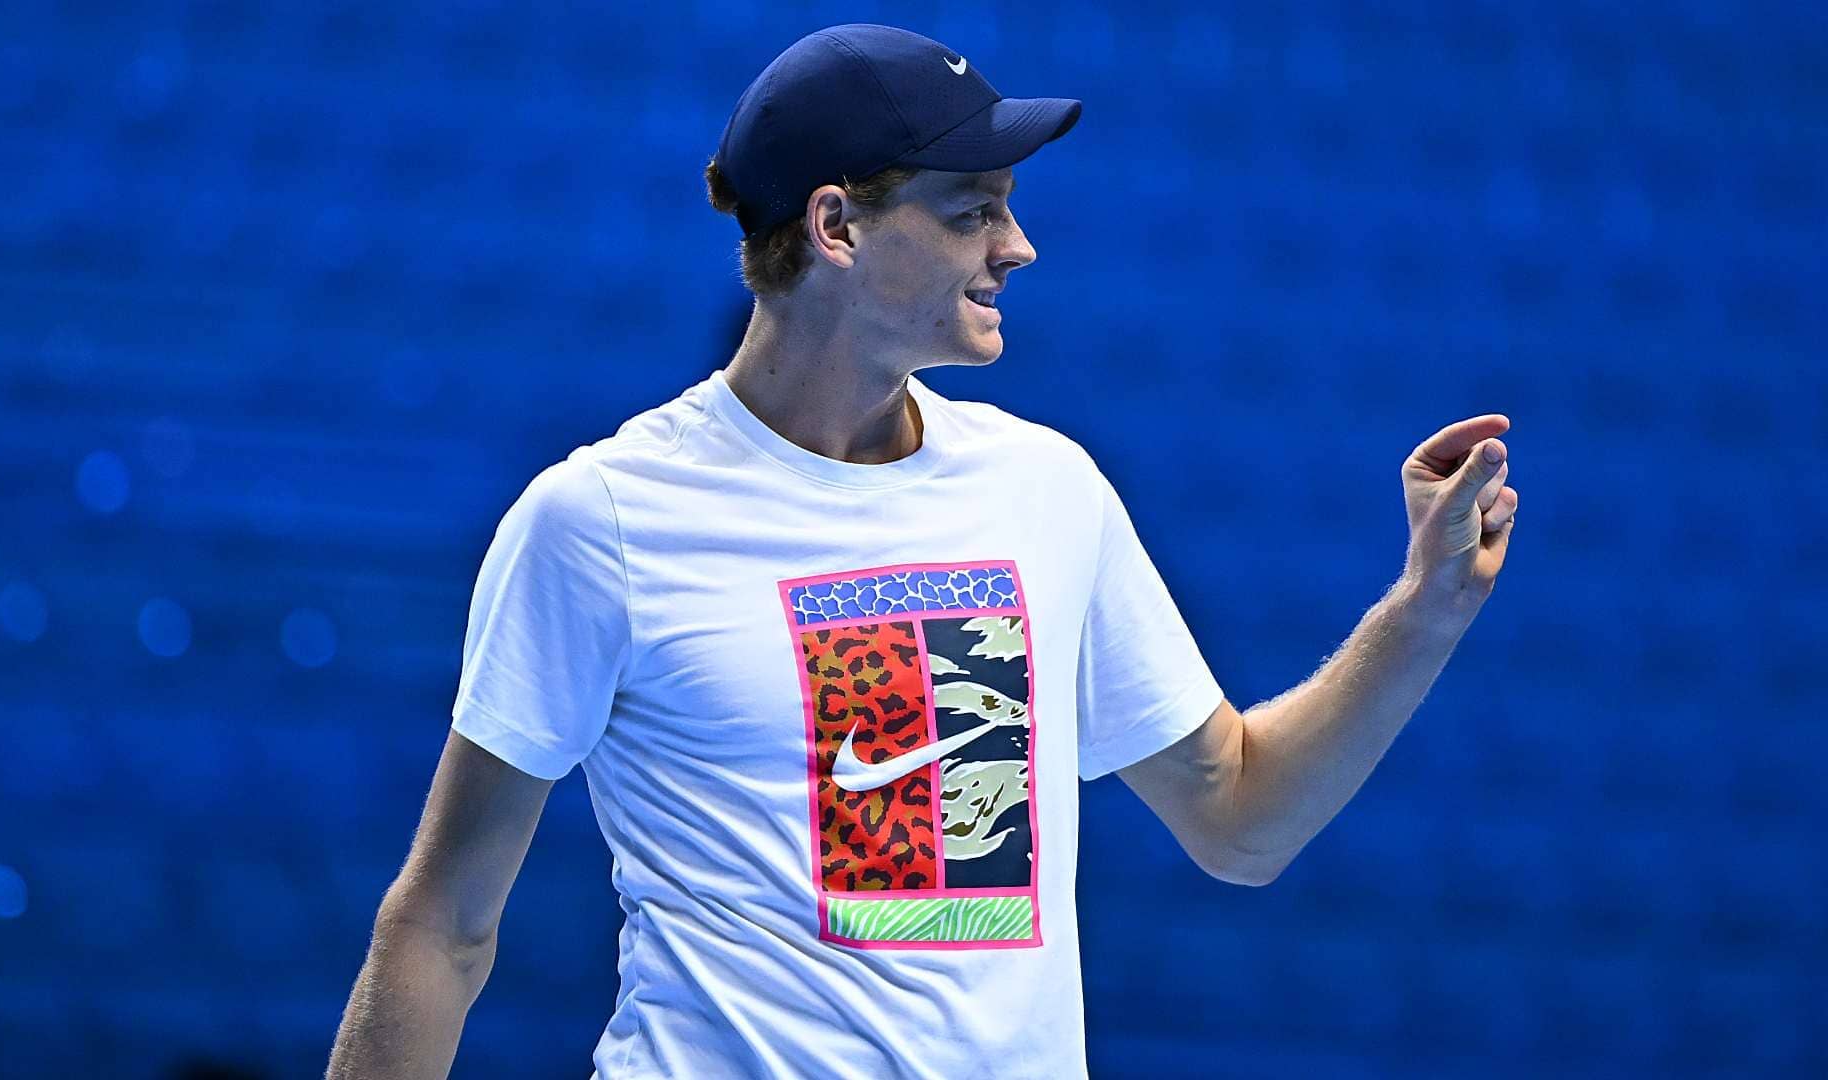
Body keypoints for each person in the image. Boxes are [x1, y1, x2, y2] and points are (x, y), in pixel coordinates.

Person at [325, 22, 1518, 1080]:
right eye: (973, 211)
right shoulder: (602, 519)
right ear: (837, 225)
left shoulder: (1047, 488)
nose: (1019, 247)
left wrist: (1423, 612)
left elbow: (1242, 819)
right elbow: (441, 924)